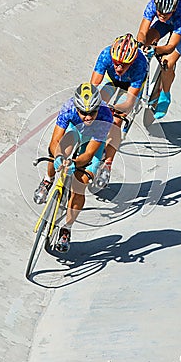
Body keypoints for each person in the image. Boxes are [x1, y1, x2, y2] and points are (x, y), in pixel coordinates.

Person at [33, 83, 113, 253]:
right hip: (75, 131)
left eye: (92, 112)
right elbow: (55, 141)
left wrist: (75, 164)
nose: (88, 117)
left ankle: (66, 228)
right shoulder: (68, 108)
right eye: (83, 113)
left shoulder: (105, 116)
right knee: (55, 151)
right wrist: (59, 158)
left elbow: (90, 154)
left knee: (81, 183)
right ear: (76, 108)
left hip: (92, 142)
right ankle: (48, 180)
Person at [90, 33, 149, 186]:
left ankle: (107, 164)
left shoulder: (140, 65)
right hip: (112, 81)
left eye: (124, 65)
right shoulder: (105, 54)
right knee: (95, 106)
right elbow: (93, 86)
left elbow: (129, 102)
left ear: (133, 61)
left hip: (130, 88)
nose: (119, 67)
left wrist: (113, 108)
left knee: (116, 121)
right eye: (116, 63)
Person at [137, 0, 181, 119]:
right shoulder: (153, 4)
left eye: (166, 13)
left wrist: (156, 49)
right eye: (159, 12)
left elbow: (171, 46)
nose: (162, 16)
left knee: (168, 63)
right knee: (145, 42)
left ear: (174, 8)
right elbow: (142, 32)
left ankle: (165, 95)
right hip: (166, 24)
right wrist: (141, 44)